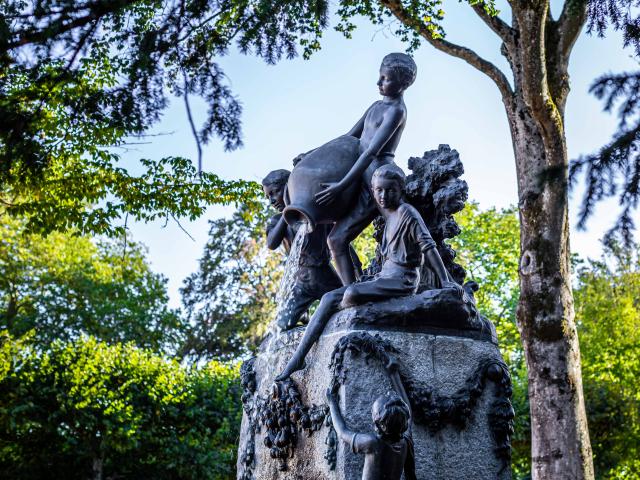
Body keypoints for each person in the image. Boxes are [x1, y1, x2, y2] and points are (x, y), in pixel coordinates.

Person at [275, 164, 460, 381]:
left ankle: (330, 318)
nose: (383, 196)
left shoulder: (406, 213)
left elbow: (428, 247)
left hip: (402, 280)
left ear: (400, 189)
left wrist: (446, 281)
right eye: (378, 190)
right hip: (383, 277)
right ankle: (298, 358)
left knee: (350, 294)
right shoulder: (388, 214)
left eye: (390, 190)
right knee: (328, 297)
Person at [305, 53, 418, 286]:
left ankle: (410, 278)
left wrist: (341, 186)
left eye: (385, 79)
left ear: (402, 84)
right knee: (335, 239)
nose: (378, 83)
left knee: (396, 230)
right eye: (380, 77)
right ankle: (349, 294)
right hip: (359, 173)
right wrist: (312, 153)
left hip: (379, 180)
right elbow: (349, 137)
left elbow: (370, 152)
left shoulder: (397, 111)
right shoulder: (376, 106)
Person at [262, 170, 342, 330]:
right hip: (300, 283)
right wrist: (287, 213)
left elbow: (338, 241)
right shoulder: (277, 220)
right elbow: (271, 243)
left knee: (345, 308)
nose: (271, 200)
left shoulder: (315, 211)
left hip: (324, 276)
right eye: (268, 196)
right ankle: (306, 326)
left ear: (288, 187)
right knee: (281, 327)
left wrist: (355, 269)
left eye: (274, 193)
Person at [325, 357, 417, 480]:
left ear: (379, 425)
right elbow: (408, 414)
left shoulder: (372, 443)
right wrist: (394, 374)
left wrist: (331, 403)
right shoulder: (405, 440)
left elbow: (342, 432)